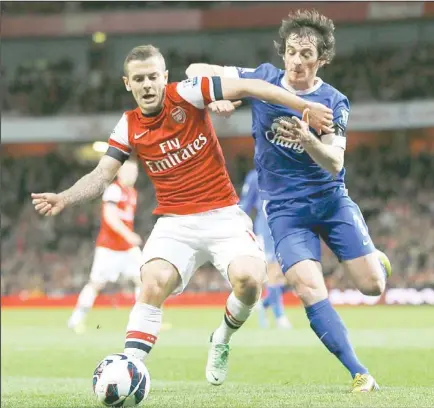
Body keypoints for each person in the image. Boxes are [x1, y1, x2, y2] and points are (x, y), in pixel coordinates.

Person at [31, 44, 333, 386]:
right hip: (175, 223)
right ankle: (129, 368)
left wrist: (304, 105)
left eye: (152, 77)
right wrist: (64, 198)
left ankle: (221, 337)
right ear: (127, 83)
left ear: (165, 77)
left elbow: (250, 86)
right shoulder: (128, 126)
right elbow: (102, 176)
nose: (147, 85)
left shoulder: (190, 94)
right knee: (152, 281)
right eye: (138, 79)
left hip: (223, 215)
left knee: (250, 281)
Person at [186, 9, 392, 392]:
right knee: (308, 287)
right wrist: (216, 97)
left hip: (331, 201)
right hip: (284, 211)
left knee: (372, 287)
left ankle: (375, 260)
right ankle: (359, 373)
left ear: (322, 59)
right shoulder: (261, 78)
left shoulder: (333, 102)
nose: (297, 61)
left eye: (307, 55)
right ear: (283, 52)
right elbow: (195, 69)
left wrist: (308, 139)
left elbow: (335, 162)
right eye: (292, 52)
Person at [67, 160, 142, 334]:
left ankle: (142, 322)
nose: (133, 174)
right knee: (96, 284)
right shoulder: (114, 190)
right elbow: (109, 216)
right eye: (129, 171)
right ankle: (76, 319)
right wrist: (128, 234)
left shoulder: (132, 192)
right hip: (109, 247)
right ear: (120, 173)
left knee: (143, 280)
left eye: (135, 171)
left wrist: (128, 237)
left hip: (128, 247)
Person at [239, 168, 292, 329]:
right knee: (273, 270)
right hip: (266, 228)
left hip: (287, 227)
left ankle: (265, 303)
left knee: (292, 276)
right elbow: (245, 204)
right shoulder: (255, 176)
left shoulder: (288, 171)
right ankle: (280, 316)